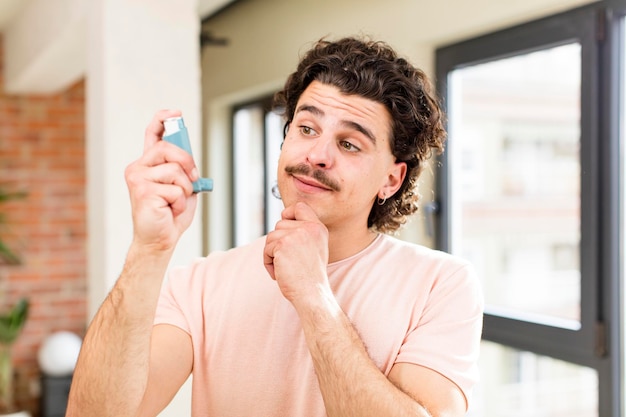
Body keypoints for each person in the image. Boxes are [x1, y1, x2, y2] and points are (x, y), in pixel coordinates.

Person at [66, 36, 483, 417]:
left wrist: (314, 296)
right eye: (306, 128)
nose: (318, 154)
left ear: (391, 180)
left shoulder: (442, 285)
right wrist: (148, 249)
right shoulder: (199, 284)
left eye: (349, 143)